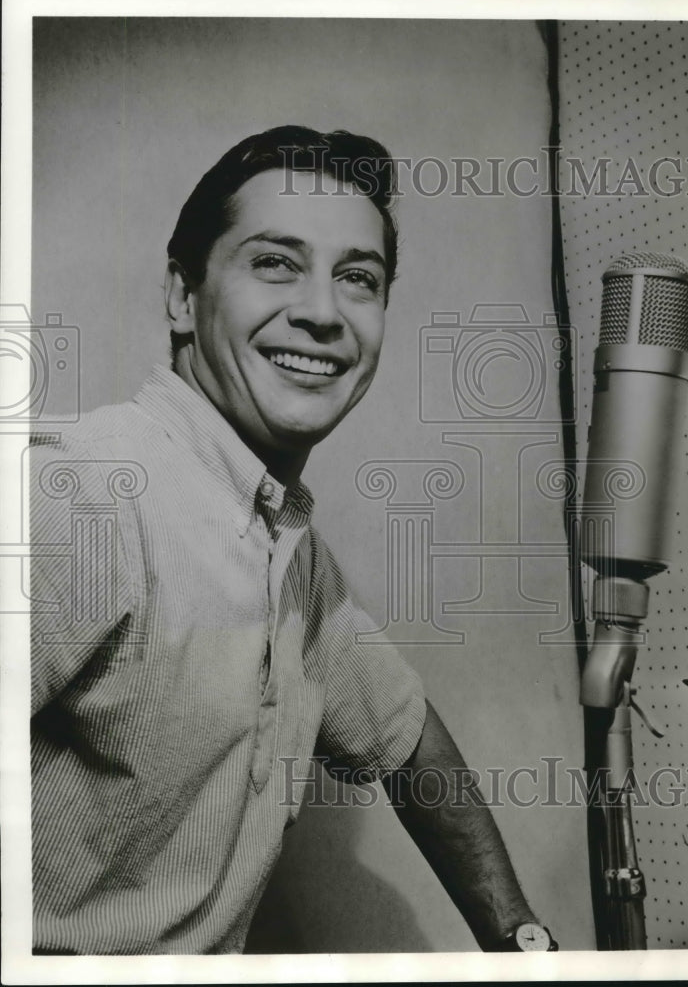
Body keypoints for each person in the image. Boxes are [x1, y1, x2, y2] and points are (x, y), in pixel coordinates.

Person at [29, 125, 557, 955]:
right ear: (181, 294)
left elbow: (407, 734)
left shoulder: (288, 551)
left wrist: (521, 943)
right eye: (274, 262)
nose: (320, 312)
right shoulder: (84, 491)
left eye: (358, 278)